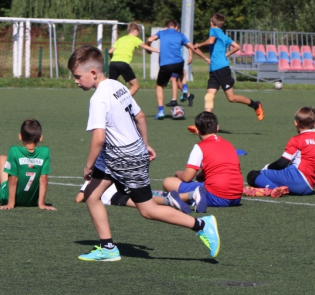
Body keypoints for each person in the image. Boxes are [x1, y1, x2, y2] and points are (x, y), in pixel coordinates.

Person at [68, 45, 220, 261]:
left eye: (77, 76)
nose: (75, 81)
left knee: (148, 210)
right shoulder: (116, 85)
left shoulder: (98, 98)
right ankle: (108, 248)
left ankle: (202, 224)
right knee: (91, 195)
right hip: (119, 154)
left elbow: (98, 138)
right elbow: (139, 116)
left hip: (125, 158)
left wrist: (88, 165)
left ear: (93, 73)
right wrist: (145, 144)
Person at [244, 107, 315, 197]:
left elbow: (282, 163)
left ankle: (274, 188)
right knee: (277, 174)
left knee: (253, 174)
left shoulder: (297, 139)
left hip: (296, 178)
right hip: (309, 188)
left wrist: (268, 167)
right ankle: (277, 187)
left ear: (296, 123)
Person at [188, 13, 264, 133]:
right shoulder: (223, 35)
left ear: (212, 22)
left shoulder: (213, 30)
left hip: (222, 69)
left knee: (231, 98)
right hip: (214, 70)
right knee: (209, 96)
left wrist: (199, 45)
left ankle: (255, 104)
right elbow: (237, 47)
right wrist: (225, 55)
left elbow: (211, 41)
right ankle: (203, 125)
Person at [162, 112, 243, 213]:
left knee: (168, 182)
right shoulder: (228, 144)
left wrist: (178, 173)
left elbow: (187, 177)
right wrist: (204, 174)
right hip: (236, 197)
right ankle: (194, 196)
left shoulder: (200, 147)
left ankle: (195, 197)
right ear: (217, 128)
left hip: (216, 196)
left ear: (196, 130)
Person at [0, 118, 56, 210]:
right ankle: (40, 202)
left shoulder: (14, 150)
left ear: (20, 136)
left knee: (1, 158)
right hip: (33, 201)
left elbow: (13, 179)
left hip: (9, 197)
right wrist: (41, 203)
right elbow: (43, 179)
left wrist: (11, 203)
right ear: (40, 138)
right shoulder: (45, 151)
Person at [146, 20, 207, 120]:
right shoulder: (180, 35)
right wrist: (205, 57)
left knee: (159, 86)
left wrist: (148, 46)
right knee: (181, 71)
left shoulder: (161, 33)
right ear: (175, 27)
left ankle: (161, 111)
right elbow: (192, 47)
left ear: (166, 27)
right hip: (178, 63)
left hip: (166, 65)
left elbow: (150, 39)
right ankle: (185, 89)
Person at [108, 22, 159, 96]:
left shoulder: (120, 39)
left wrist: (112, 59)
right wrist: (159, 51)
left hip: (113, 63)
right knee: (135, 86)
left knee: (110, 86)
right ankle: (123, 101)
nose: (138, 35)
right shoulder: (135, 39)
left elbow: (110, 51)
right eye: (138, 33)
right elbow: (145, 47)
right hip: (123, 63)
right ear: (135, 31)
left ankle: (107, 102)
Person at [75, 181, 184, 209]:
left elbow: (78, 199)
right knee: (147, 196)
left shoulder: (92, 179)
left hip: (114, 196)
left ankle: (168, 200)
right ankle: (191, 196)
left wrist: (88, 183)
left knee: (142, 203)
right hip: (126, 187)